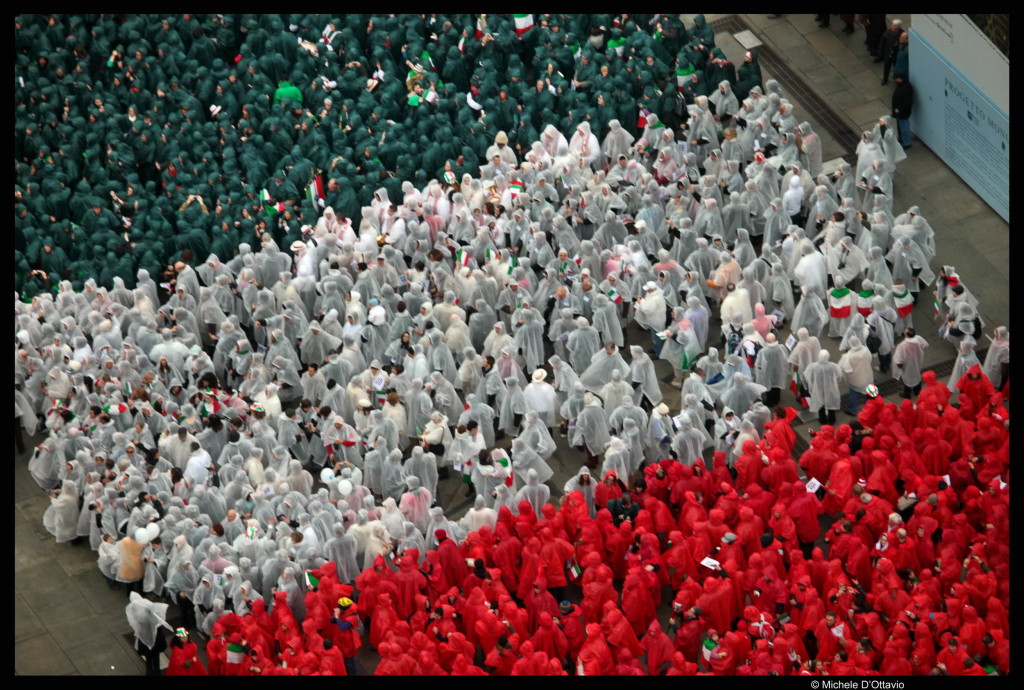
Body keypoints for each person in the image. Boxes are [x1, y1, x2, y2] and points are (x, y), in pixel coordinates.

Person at [892, 327, 929, 399]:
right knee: (917, 376)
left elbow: (898, 360)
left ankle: (907, 394)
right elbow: (926, 345)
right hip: (917, 362)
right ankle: (917, 392)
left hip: (907, 366)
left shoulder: (902, 345)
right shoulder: (918, 339)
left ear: (906, 335)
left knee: (908, 380)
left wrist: (899, 367)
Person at [891, 75, 913, 149]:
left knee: (904, 127)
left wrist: (899, 109)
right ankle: (901, 139)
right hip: (900, 112)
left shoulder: (905, 88)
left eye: (897, 78)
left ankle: (907, 142)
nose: (896, 80)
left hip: (903, 113)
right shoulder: (903, 86)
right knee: (900, 127)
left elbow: (907, 102)